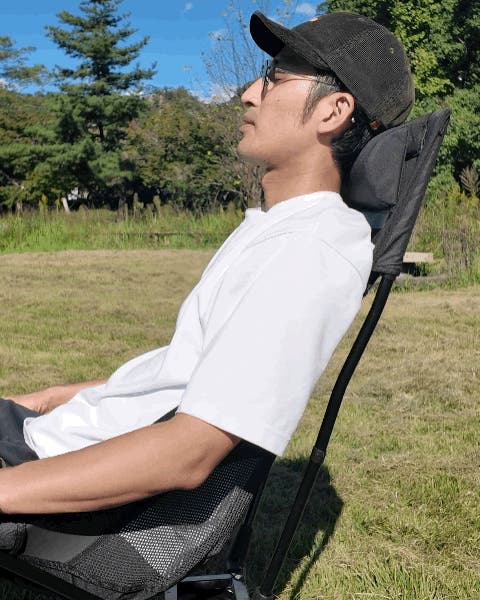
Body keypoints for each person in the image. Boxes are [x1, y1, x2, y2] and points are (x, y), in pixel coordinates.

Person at [0, 10, 414, 516]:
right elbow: (177, 378)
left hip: (42, 465)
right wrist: (46, 399)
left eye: (274, 77)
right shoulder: (279, 228)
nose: (248, 93)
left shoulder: (312, 247)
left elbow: (188, 452)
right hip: (46, 438)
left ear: (333, 111)